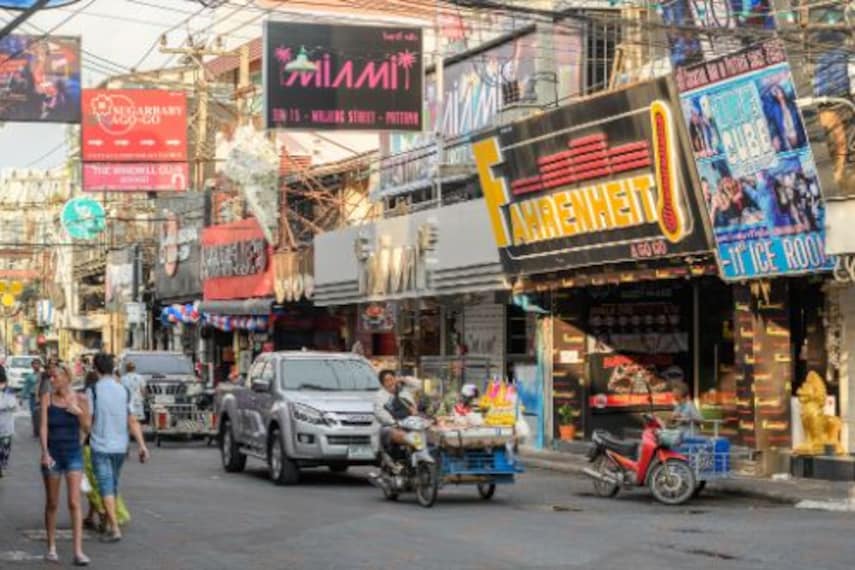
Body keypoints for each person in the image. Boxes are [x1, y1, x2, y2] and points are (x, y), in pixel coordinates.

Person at [87, 353, 149, 543]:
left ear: (95, 369)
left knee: (105, 486)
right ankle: (108, 523)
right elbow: (132, 420)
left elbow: (88, 421)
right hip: (120, 447)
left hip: (100, 446)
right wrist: (142, 445)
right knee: (112, 484)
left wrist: (79, 440)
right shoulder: (123, 390)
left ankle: (114, 528)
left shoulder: (93, 391)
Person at [40, 363, 90, 566]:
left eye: (55, 377)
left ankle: (78, 551)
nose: (52, 380)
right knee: (52, 503)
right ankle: (51, 547)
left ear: (67, 378)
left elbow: (87, 428)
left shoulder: (80, 398)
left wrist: (78, 412)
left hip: (73, 454)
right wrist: (45, 452)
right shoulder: (47, 398)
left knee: (74, 502)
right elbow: (43, 427)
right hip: (52, 454)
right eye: (50, 377)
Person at [373, 370, 420, 452]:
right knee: (411, 438)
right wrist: (395, 423)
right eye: (386, 381)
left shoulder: (404, 390)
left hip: (411, 423)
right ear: (382, 384)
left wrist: (402, 379)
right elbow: (381, 414)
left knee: (423, 434)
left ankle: (418, 453)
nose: (390, 383)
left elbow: (418, 384)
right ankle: (417, 449)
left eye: (391, 379)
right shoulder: (379, 396)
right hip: (391, 427)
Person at [0, 365, 17, 478]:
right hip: (5, 425)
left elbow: (12, 405)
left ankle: (2, 467)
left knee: (5, 448)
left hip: (6, 426)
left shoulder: (9, 391)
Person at [21, 359, 44, 438]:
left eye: (37, 364)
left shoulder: (43, 375)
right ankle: (36, 430)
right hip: (33, 397)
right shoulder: (30, 376)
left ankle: (43, 430)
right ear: (32, 366)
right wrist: (22, 397)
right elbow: (26, 387)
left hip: (42, 396)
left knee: (43, 414)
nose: (36, 365)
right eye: (34, 364)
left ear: (40, 365)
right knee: (34, 414)